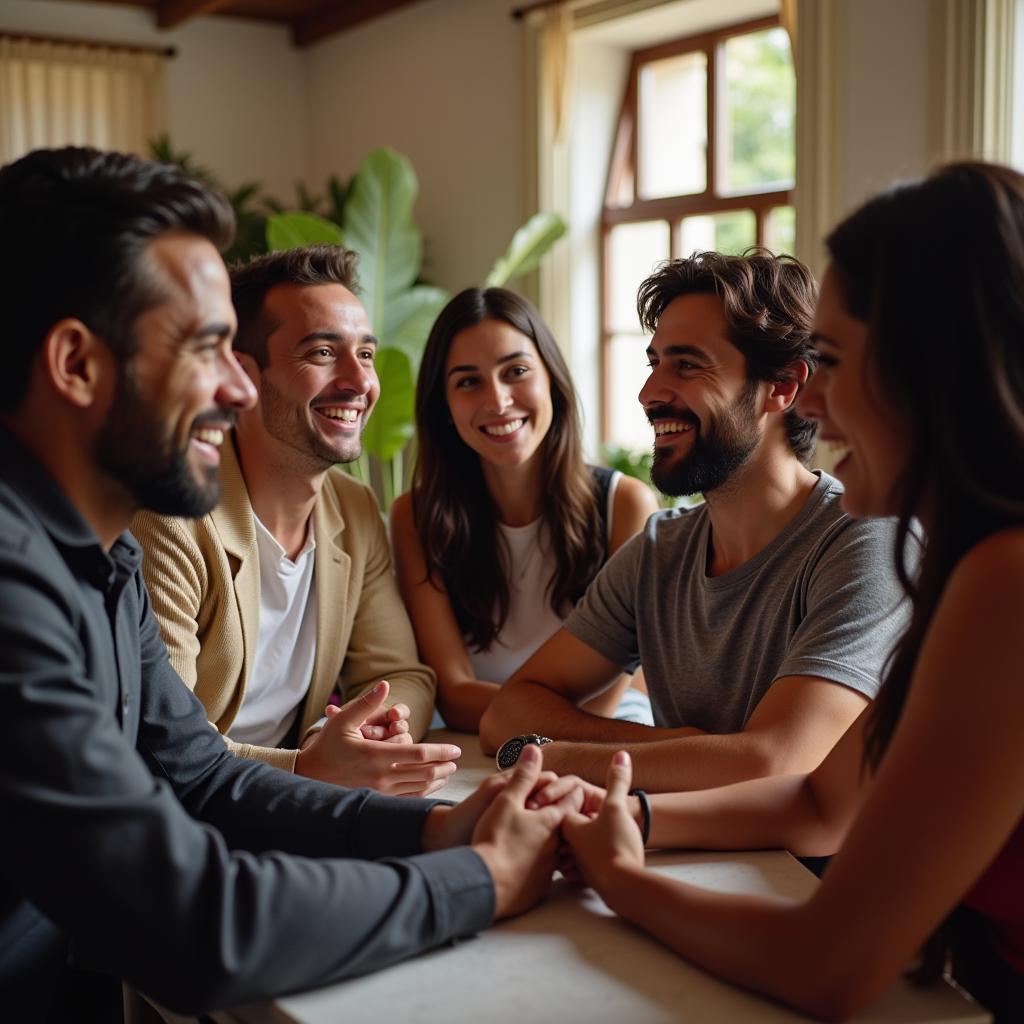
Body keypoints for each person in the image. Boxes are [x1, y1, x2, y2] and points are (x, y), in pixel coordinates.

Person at [0, 146, 580, 1020]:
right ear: (76, 365)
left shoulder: (96, 554)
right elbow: (196, 923)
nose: (239, 388)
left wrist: (437, 829)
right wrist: (481, 879)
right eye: (207, 349)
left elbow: (200, 777)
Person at [555, 162, 1024, 1022]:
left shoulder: (1007, 582)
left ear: (930, 371)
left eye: (835, 363)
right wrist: (619, 812)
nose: (820, 409)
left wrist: (622, 879)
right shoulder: (972, 568)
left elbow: (826, 964)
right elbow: (819, 802)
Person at [481, 251, 907, 791]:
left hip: (814, 874)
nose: (649, 393)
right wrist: (676, 747)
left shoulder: (865, 542)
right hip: (683, 846)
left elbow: (776, 764)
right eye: (654, 362)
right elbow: (508, 712)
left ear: (782, 386)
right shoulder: (660, 550)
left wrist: (561, 756)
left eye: (686, 365)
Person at [133, 246, 455, 796]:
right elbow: (160, 746)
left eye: (368, 355)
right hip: (195, 812)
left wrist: (361, 732)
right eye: (323, 353)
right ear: (241, 372)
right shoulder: (170, 515)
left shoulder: (353, 511)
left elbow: (402, 675)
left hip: (292, 802)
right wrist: (305, 769)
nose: (359, 382)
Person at [391, 287, 659, 734]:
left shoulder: (626, 505)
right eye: (468, 381)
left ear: (551, 377)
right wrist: (540, 715)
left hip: (607, 725)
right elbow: (454, 695)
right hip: (473, 730)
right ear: (444, 406)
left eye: (515, 371)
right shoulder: (415, 517)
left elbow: (603, 703)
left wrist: (527, 717)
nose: (497, 401)